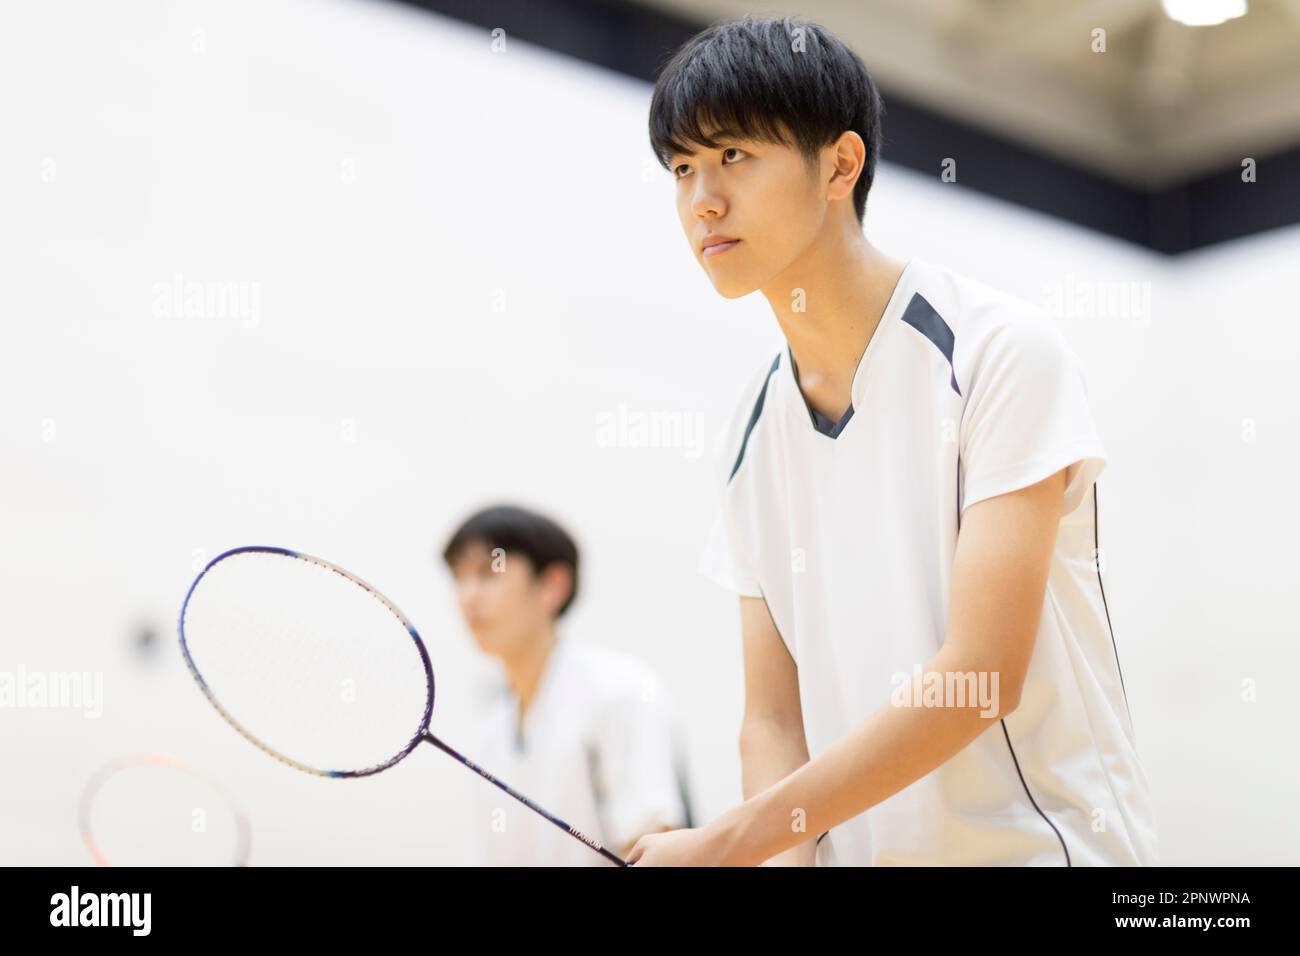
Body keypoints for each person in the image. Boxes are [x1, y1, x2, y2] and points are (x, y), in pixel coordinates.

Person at [628, 15, 1157, 866]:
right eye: (682, 168)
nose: (702, 201)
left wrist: (730, 841)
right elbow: (772, 718)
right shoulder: (750, 434)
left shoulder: (997, 351)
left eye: (733, 156)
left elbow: (982, 674)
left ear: (839, 164)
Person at [441, 504, 690, 865]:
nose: (468, 596)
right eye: (459, 578)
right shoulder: (491, 732)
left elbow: (656, 849)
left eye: (486, 573)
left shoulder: (620, 693)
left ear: (552, 586)